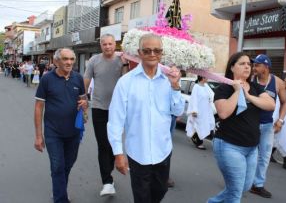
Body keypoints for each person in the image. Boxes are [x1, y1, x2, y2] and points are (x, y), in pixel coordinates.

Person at [107, 33, 185, 203]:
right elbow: (115, 120)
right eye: (147, 50)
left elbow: (178, 110)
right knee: (142, 198)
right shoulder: (126, 82)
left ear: (161, 53)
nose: (152, 54)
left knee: (160, 191)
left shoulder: (169, 81)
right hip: (138, 152)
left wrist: (175, 86)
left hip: (163, 151)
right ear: (139, 52)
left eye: (156, 50)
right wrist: (118, 153)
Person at [207, 52, 275, 203]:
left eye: (249, 65)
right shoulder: (224, 89)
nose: (247, 67)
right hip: (229, 146)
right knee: (235, 193)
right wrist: (237, 91)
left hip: (251, 148)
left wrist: (249, 96)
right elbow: (223, 113)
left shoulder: (256, 88)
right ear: (232, 67)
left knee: (245, 186)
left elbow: (271, 105)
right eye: (242, 64)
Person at [34, 48, 88, 203]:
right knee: (57, 166)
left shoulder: (78, 78)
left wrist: (85, 104)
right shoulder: (47, 79)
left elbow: (83, 101)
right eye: (65, 59)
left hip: (74, 132)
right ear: (56, 61)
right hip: (53, 132)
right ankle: (60, 198)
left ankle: (60, 190)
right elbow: (38, 107)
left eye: (72, 59)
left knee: (68, 165)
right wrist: (39, 136)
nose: (69, 62)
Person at [83, 33, 129, 196]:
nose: (108, 46)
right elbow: (86, 79)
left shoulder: (122, 59)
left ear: (114, 44)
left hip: (118, 110)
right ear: (100, 45)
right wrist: (83, 100)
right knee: (103, 144)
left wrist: (124, 65)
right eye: (105, 44)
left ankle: (109, 169)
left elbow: (126, 82)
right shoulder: (94, 60)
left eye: (110, 44)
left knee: (112, 143)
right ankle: (107, 182)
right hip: (99, 108)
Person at [250, 54, 286, 198]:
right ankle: (240, 180)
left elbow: (284, 103)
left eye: (257, 65)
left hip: (267, 126)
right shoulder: (251, 79)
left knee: (264, 156)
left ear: (266, 67)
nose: (254, 68)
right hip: (250, 124)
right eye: (254, 65)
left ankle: (257, 185)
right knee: (247, 153)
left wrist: (281, 120)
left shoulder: (277, 82)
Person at [186, 75, 215, 150]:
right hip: (198, 111)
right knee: (198, 125)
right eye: (206, 77)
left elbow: (212, 95)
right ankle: (198, 142)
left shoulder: (206, 86)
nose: (208, 78)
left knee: (204, 125)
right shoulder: (196, 87)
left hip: (205, 111)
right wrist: (194, 110)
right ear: (203, 78)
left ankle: (196, 138)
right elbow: (194, 99)